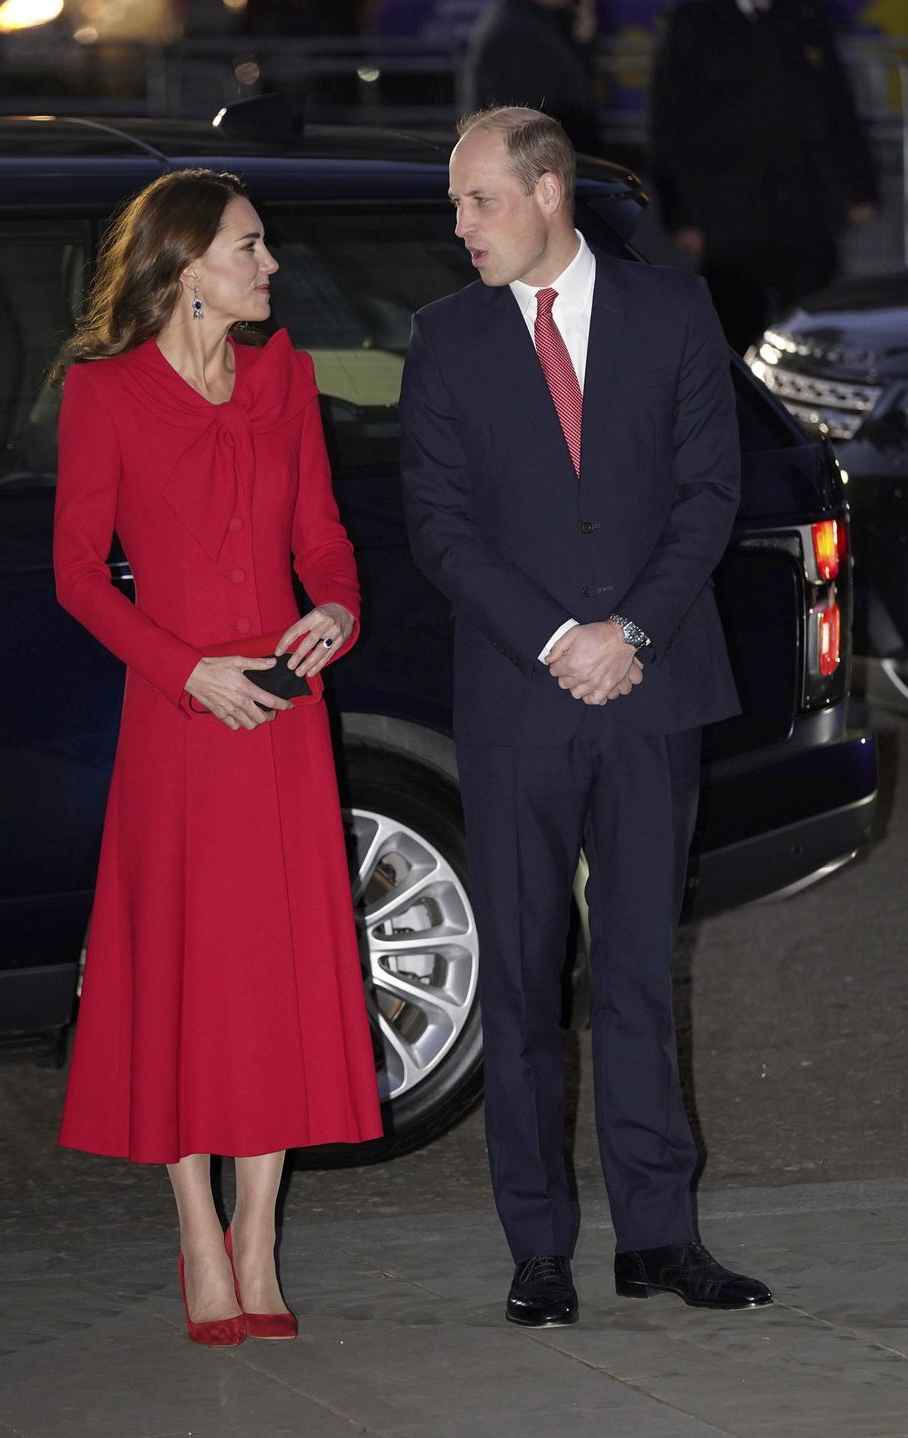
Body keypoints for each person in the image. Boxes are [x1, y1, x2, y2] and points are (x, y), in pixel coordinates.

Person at [399, 106, 772, 1326]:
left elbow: (711, 494)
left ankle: (660, 1237)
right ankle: (539, 1247)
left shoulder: (671, 312)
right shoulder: (445, 338)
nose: (460, 226)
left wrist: (634, 634)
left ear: (549, 191)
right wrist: (562, 640)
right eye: (457, 207)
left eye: (478, 202)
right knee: (516, 982)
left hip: (654, 689)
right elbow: (441, 529)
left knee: (636, 979)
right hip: (518, 702)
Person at [52, 168, 382, 1346]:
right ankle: (197, 1233)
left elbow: (325, 544)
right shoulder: (105, 393)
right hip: (179, 712)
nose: (269, 266)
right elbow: (79, 574)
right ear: (188, 267)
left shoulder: (284, 377)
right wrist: (184, 668)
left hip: (285, 716)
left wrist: (334, 615)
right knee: (182, 974)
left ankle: (259, 1236)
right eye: (249, 248)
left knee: (274, 975)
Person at [650, 0, 879, 353]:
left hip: (805, 208)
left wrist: (859, 186)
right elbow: (670, 125)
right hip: (730, 217)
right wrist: (681, 215)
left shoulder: (803, 15)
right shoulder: (695, 20)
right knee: (734, 339)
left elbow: (837, 105)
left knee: (812, 335)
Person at [466, 0, 600, 156]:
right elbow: (525, 125)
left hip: (560, 163)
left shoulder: (546, 22)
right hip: (534, 167)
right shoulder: (515, 31)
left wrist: (582, 42)